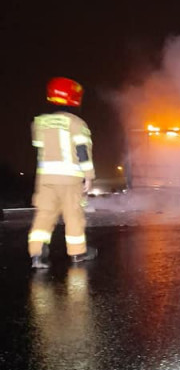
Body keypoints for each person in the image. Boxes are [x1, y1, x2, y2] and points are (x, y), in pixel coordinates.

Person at [28, 77, 98, 268]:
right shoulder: (76, 123)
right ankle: (77, 253)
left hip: (45, 180)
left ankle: (37, 255)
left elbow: (40, 149)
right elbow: (83, 150)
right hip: (70, 179)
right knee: (73, 215)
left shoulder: (39, 123)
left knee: (44, 215)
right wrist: (89, 176)